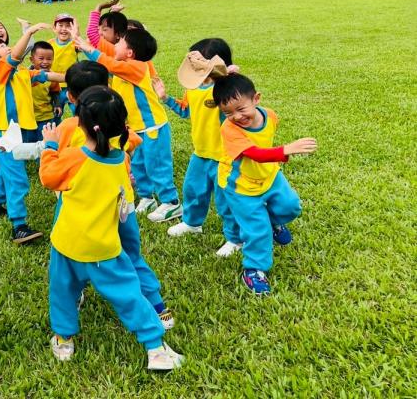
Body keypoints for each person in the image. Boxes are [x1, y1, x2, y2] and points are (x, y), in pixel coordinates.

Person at [9, 62, 174, 329]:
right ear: (108, 89)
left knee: (70, 257)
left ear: (70, 97)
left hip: (77, 206)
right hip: (121, 204)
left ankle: (74, 296)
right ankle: (157, 306)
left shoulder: (67, 127)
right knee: (131, 254)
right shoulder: (116, 124)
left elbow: (45, 156)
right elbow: (133, 141)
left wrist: (18, 148)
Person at [39, 86, 183, 370]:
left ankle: (64, 339)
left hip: (67, 244)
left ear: (80, 124)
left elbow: (48, 177)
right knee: (129, 295)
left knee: (63, 292)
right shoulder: (121, 159)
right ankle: (156, 347)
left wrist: (50, 146)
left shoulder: (74, 158)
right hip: (104, 247)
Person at [213, 73, 317, 295]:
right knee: (257, 229)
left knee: (291, 206)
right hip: (241, 187)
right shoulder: (229, 129)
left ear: (256, 99)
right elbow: (255, 154)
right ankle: (254, 269)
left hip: (269, 176)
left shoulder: (269, 115)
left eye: (241, 109)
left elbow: (263, 143)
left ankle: (275, 223)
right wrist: (286, 150)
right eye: (228, 113)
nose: (236, 116)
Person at [76, 28, 181, 223]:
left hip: (153, 128)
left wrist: (88, 49)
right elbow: (108, 59)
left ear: (130, 52)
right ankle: (147, 197)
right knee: (138, 164)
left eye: (119, 43)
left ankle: (171, 202)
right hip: (135, 129)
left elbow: (108, 62)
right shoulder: (122, 69)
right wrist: (84, 42)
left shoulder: (137, 67)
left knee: (156, 165)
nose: (114, 46)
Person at [0, 22, 56, 244]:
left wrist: (77, 77)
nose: (5, 45)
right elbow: (15, 56)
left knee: (8, 173)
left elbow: (45, 76)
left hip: (22, 131)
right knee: (17, 178)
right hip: (7, 136)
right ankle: (19, 226)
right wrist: (29, 32)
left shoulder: (20, 72)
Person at [154, 42, 244, 257]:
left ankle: (235, 239)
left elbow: (241, 102)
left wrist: (231, 77)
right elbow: (186, 111)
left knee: (225, 200)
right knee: (193, 190)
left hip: (224, 156)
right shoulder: (193, 87)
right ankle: (192, 223)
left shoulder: (224, 88)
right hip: (201, 153)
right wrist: (165, 98)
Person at [48, 13, 79, 114]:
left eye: (68, 26)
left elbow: (86, 46)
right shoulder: (49, 44)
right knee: (55, 114)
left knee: (78, 112)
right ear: (54, 28)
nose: (64, 29)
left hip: (72, 85)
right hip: (54, 87)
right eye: (61, 25)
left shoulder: (75, 43)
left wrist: (77, 33)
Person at [29, 41, 60, 138]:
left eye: (49, 59)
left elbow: (55, 91)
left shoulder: (53, 76)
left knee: (44, 140)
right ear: (32, 60)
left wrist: (57, 105)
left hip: (46, 116)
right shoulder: (26, 75)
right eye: (41, 58)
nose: (45, 62)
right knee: (29, 142)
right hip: (29, 117)